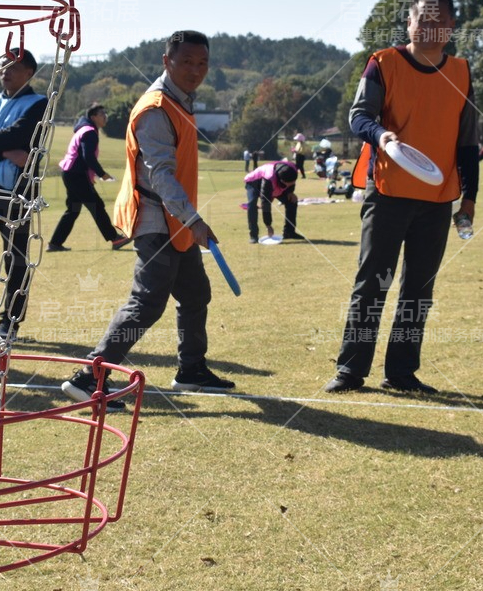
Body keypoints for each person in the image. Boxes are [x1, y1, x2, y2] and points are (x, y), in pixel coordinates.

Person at [61, 30, 234, 409]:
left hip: (176, 220)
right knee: (147, 303)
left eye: (202, 63)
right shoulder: (156, 109)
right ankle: (90, 377)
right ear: (166, 61)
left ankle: (191, 371)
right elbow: (161, 175)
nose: (195, 70)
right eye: (186, 62)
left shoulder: (180, 102)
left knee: (194, 294)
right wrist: (193, 220)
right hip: (158, 219)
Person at [323, 0, 480, 395]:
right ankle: (350, 370)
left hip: (437, 199)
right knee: (372, 282)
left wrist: (469, 198)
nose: (429, 27)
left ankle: (402, 372)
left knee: (418, 288)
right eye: (421, 20)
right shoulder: (384, 63)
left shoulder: (461, 71)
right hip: (389, 191)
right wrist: (381, 134)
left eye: (438, 20)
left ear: (451, 27)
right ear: (408, 24)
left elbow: (467, 143)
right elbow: (359, 116)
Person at [0, 48, 47, 341]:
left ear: (29, 73)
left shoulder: (39, 103)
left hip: (16, 193)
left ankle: (10, 322)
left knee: (16, 260)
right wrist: (2, 150)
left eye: (14, 67)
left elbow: (18, 135)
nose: (5, 71)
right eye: (3, 66)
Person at [46, 103, 131, 252]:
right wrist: (102, 174)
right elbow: (88, 157)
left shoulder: (85, 130)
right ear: (93, 117)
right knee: (96, 206)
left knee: (73, 210)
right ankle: (115, 239)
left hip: (71, 173)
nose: (105, 117)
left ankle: (55, 243)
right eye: (102, 114)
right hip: (76, 174)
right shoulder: (90, 132)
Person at [244, 160, 302, 242]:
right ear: (282, 181)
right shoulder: (269, 178)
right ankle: (253, 235)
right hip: (254, 181)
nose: (291, 184)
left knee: (292, 200)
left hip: (275, 182)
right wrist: (268, 225)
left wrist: (290, 192)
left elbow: (292, 183)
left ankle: (289, 232)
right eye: (289, 183)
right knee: (252, 204)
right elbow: (265, 202)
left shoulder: (292, 168)